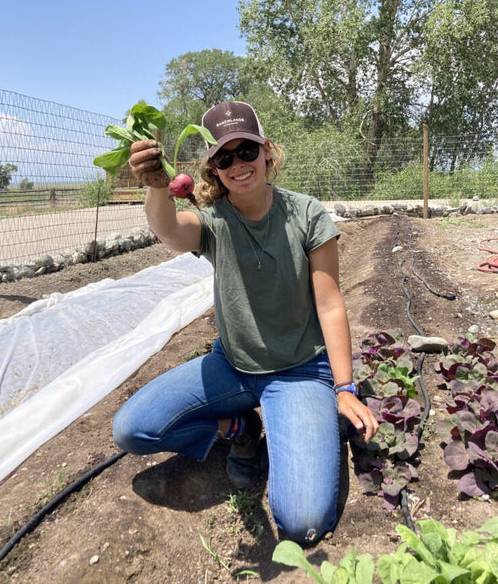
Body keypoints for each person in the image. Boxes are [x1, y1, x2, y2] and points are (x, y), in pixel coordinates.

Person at [111, 100, 379, 545]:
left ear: (267, 153)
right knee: (132, 429)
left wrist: (345, 387)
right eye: (225, 157)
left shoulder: (307, 214)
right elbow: (170, 232)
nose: (238, 164)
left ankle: (306, 423)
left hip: (300, 371)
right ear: (213, 168)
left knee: (303, 522)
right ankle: (239, 429)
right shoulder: (213, 220)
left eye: (247, 151)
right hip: (232, 366)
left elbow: (331, 304)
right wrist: (157, 187)